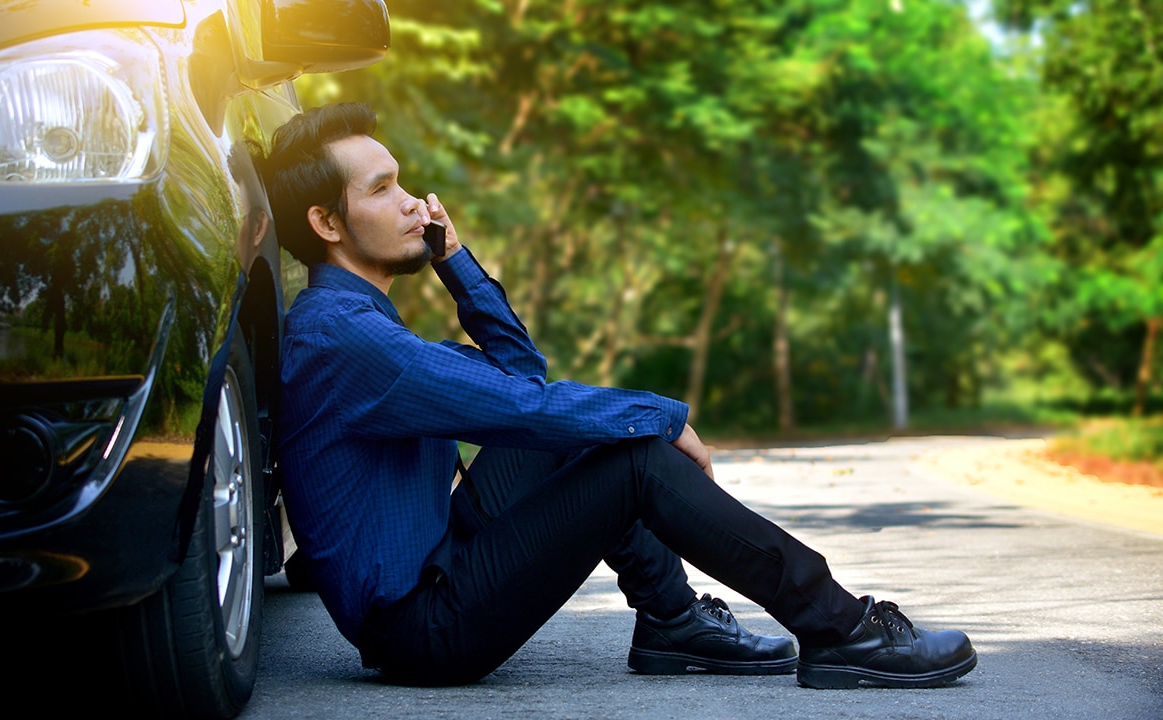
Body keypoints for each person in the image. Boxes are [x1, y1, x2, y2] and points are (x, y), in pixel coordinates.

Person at [267, 102, 978, 689]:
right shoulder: (344, 339)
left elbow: (524, 377)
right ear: (327, 224)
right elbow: (526, 407)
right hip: (424, 627)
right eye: (382, 189)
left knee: (587, 431)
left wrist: (456, 261)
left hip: (442, 562)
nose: (413, 203)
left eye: (403, 182)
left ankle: (670, 618)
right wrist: (667, 418)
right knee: (632, 457)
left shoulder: (362, 326)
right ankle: (838, 626)